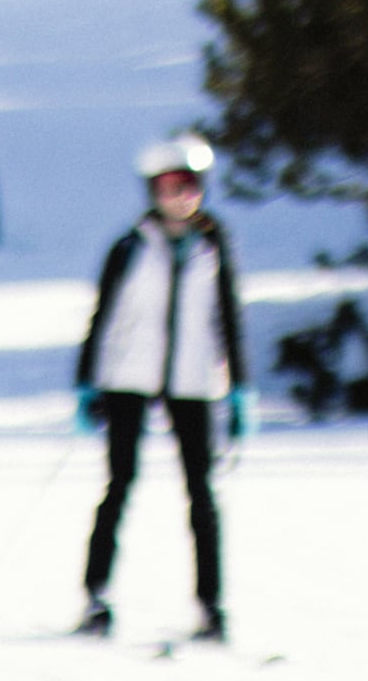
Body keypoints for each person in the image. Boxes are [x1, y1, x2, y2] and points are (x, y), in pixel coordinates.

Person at [73, 133, 245, 642]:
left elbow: (228, 317)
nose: (179, 195)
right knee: (120, 484)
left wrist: (240, 388)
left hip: (192, 380)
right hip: (129, 378)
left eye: (188, 184)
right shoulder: (130, 248)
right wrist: (89, 382)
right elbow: (102, 318)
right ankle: (95, 595)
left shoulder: (214, 246)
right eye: (168, 185)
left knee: (202, 493)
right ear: (152, 191)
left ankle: (211, 606)